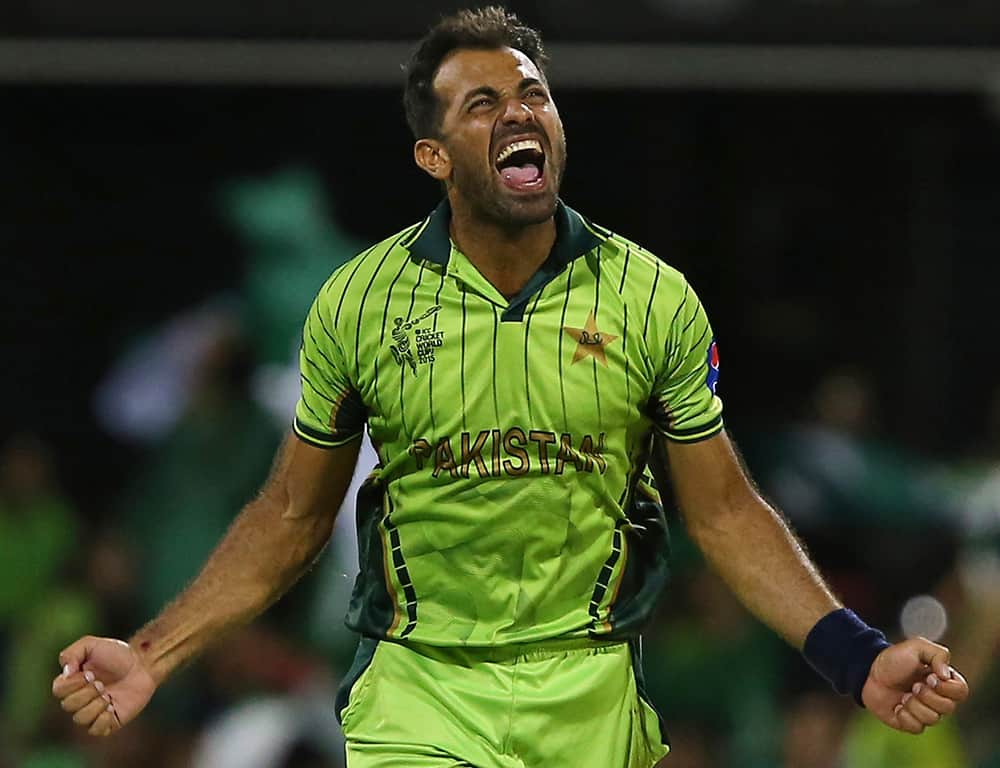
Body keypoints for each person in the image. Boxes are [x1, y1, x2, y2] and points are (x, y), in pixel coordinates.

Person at [52, 7, 969, 767]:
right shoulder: (359, 305)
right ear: (434, 156)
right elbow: (291, 519)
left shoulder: (651, 298)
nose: (519, 113)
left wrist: (856, 657)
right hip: (419, 696)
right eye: (482, 103)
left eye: (533, 94)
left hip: (591, 706)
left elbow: (725, 513)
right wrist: (149, 655)